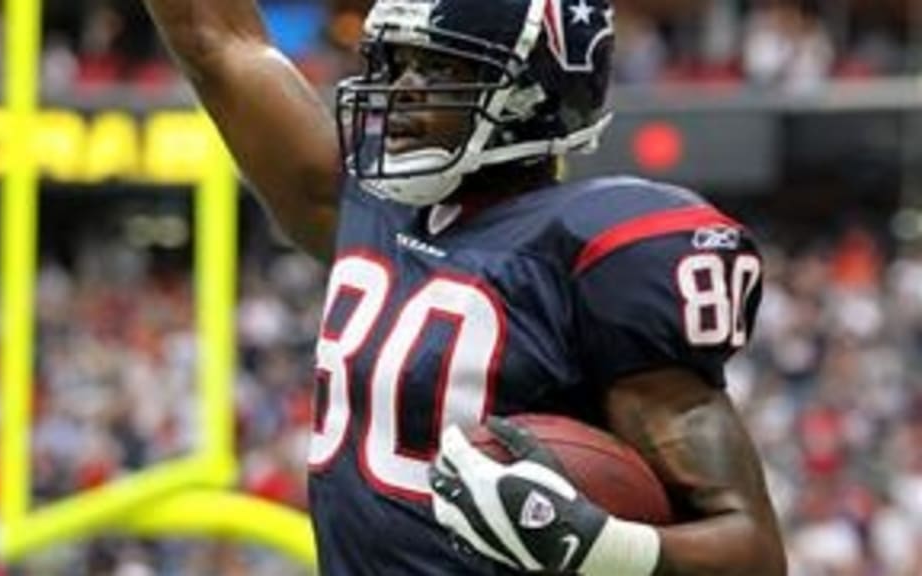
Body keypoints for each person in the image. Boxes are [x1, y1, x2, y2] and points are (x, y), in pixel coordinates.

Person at [140, 0, 787, 573]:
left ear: (530, 93)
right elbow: (217, 42)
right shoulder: (369, 207)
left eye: (438, 68)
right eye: (398, 63)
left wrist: (601, 546)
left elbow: (752, 550)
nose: (402, 89)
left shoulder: (592, 253)